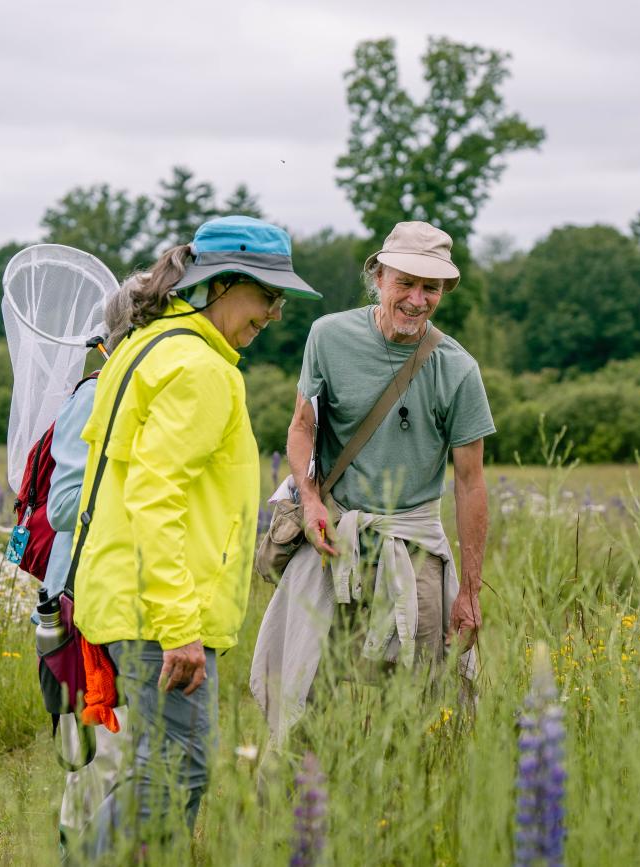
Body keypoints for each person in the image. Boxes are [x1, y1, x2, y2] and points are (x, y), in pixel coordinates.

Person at [69, 215, 321, 856]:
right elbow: (156, 496)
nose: (273, 312)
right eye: (266, 295)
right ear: (222, 284)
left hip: (129, 595)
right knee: (175, 772)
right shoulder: (200, 369)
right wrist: (178, 624)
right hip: (158, 611)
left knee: (167, 770)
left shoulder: (147, 344)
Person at [250, 220, 495, 744]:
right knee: (301, 690)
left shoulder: (457, 368)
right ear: (378, 276)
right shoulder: (329, 336)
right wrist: (310, 499)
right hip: (334, 538)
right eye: (405, 282)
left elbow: (471, 484)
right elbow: (301, 427)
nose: (416, 299)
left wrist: (469, 591)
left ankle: (410, 797)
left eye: (431, 288)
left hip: (414, 546)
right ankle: (301, 801)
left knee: (426, 698)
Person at [41, 277, 135, 858]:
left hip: (121, 594)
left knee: (121, 753)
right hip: (78, 600)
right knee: (95, 756)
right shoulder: (95, 394)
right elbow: (63, 504)